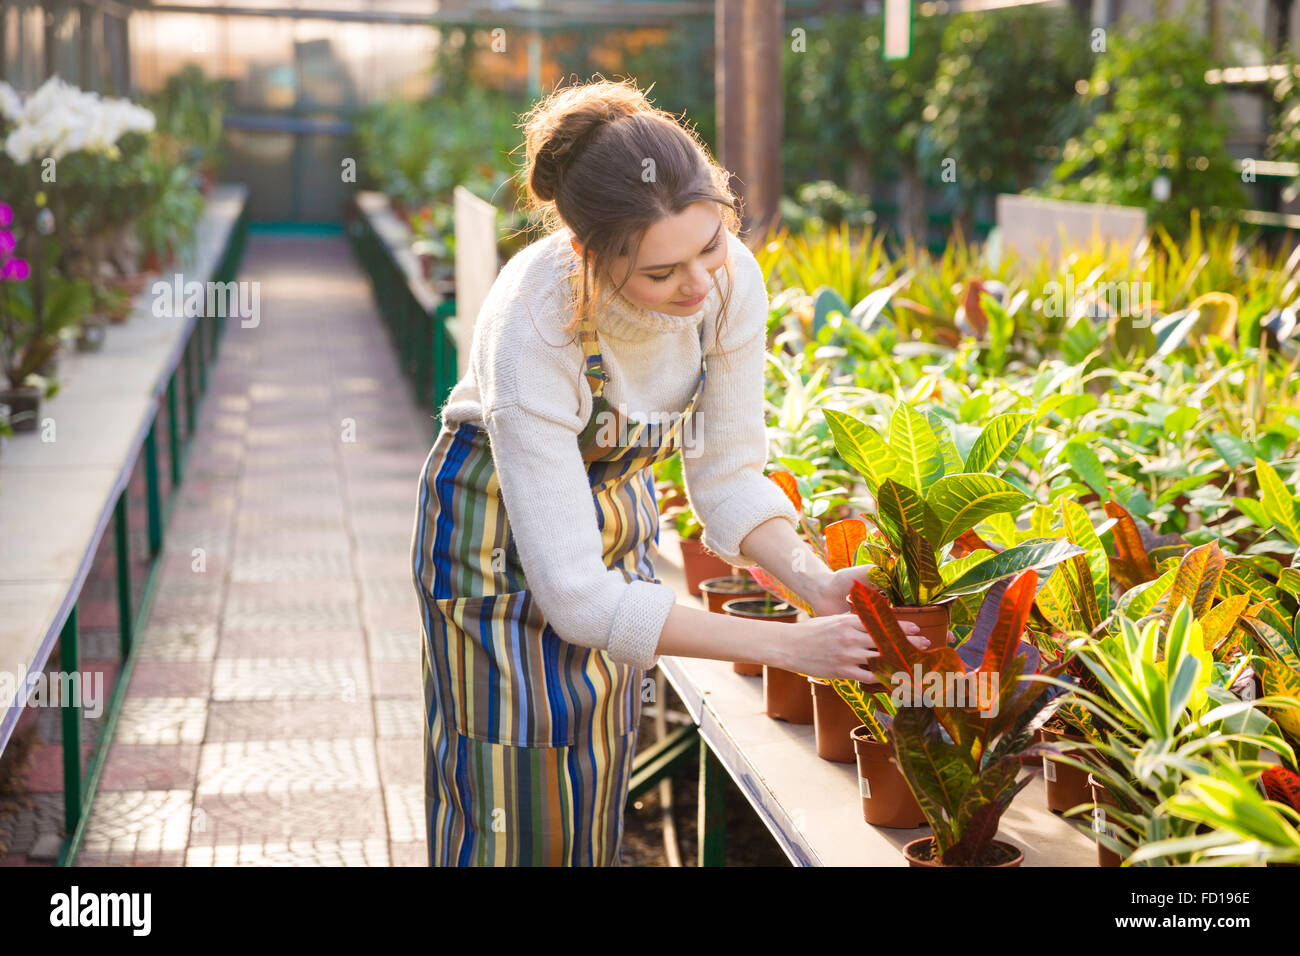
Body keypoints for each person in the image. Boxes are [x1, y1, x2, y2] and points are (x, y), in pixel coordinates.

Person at [409, 77, 927, 867]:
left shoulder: (726, 283)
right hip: (492, 532)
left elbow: (726, 479)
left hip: (612, 509)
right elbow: (579, 600)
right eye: (660, 274)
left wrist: (811, 582)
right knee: (519, 792)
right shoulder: (534, 326)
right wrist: (792, 648)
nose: (696, 284)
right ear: (586, 253)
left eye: (710, 245)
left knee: (590, 774)